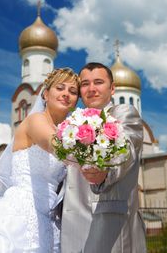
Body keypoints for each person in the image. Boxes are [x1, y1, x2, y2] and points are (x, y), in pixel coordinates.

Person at [0, 68, 79, 253]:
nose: (66, 94)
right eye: (60, 88)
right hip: (19, 212)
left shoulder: (68, 131)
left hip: (49, 219)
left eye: (73, 91)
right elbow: (55, 145)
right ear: (45, 94)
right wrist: (95, 152)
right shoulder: (35, 120)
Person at [61, 62, 147, 253]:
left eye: (98, 82)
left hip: (108, 225)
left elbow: (127, 152)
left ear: (112, 88)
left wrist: (104, 173)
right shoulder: (72, 122)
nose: (91, 89)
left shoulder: (124, 113)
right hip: (70, 227)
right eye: (85, 84)